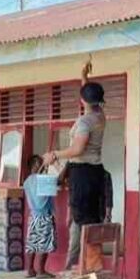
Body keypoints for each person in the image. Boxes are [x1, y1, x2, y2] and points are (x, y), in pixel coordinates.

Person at [42, 81, 106, 234]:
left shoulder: (84, 122)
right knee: (93, 221)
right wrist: (85, 78)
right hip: (95, 172)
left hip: (82, 174)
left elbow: (78, 149)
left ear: (82, 100)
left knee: (84, 222)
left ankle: (86, 249)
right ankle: (88, 249)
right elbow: (90, 97)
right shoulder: (100, 116)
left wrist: (55, 154)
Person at [64, 166, 113, 270]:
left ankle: (92, 272)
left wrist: (107, 216)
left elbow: (108, 197)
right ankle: (68, 270)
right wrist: (69, 215)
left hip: (95, 216)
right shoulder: (78, 173)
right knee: (74, 246)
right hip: (77, 216)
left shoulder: (104, 175)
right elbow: (71, 195)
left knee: (92, 246)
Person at [23, 155, 57, 279]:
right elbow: (57, 181)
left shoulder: (27, 181)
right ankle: (41, 271)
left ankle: (29, 270)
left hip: (33, 216)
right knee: (45, 243)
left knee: (32, 243)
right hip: (44, 215)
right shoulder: (44, 180)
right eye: (42, 163)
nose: (44, 165)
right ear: (37, 164)